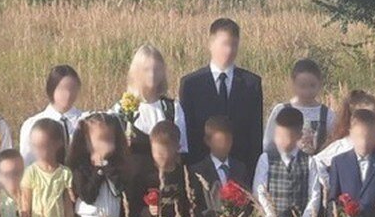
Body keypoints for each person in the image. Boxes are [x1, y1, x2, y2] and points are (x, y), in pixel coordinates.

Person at [179, 18, 264, 174]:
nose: (230, 50)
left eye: (234, 45)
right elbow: (189, 132)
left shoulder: (251, 84)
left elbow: (255, 134)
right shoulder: (191, 84)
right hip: (203, 171)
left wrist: (252, 173)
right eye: (225, 44)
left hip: (241, 171)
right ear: (211, 44)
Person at [253, 106, 321, 217]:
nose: (282, 140)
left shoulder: (310, 162)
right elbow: (259, 190)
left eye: (287, 136)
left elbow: (314, 194)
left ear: (299, 136)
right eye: (279, 135)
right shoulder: (266, 159)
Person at [189, 116, 251, 217]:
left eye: (228, 141)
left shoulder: (240, 167)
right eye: (219, 141)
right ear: (208, 141)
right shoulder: (197, 170)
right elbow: (193, 205)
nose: (224, 145)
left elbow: (248, 201)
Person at [112, 44, 189, 153]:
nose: (152, 74)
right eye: (146, 70)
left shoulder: (172, 108)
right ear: (136, 72)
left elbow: (182, 150)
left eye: (156, 69)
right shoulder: (120, 109)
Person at [317, 89, 375, 177]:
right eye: (364, 116)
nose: (370, 120)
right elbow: (317, 162)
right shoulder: (344, 145)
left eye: (374, 114)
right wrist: (328, 184)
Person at [262, 58, 336, 154]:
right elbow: (268, 142)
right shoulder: (281, 110)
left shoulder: (328, 114)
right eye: (302, 86)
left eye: (312, 86)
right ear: (293, 84)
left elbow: (335, 145)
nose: (307, 91)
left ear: (320, 84)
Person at [19, 65, 83, 164]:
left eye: (73, 88)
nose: (68, 94)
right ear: (51, 89)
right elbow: (27, 162)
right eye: (62, 89)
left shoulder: (85, 121)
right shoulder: (32, 124)